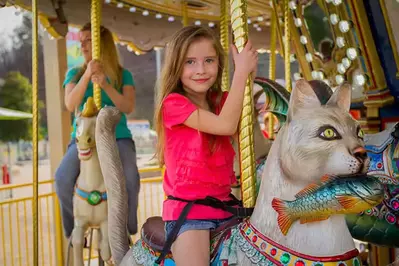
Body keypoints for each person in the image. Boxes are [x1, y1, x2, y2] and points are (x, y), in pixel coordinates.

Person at [154, 26, 258, 266]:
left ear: (218, 64)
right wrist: (241, 72)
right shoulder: (173, 104)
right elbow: (226, 125)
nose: (200, 70)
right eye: (190, 62)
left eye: (208, 60)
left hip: (227, 207)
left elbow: (245, 139)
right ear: (176, 67)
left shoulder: (220, 101)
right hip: (190, 215)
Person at [55, 23, 140, 239]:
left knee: (130, 178)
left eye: (88, 40)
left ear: (102, 44)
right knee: (62, 177)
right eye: (80, 40)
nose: (82, 45)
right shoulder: (75, 73)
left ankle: (127, 228)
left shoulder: (123, 75)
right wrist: (87, 76)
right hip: (84, 138)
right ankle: (72, 230)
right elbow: (70, 103)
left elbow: (128, 107)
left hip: (117, 137)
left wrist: (105, 85)